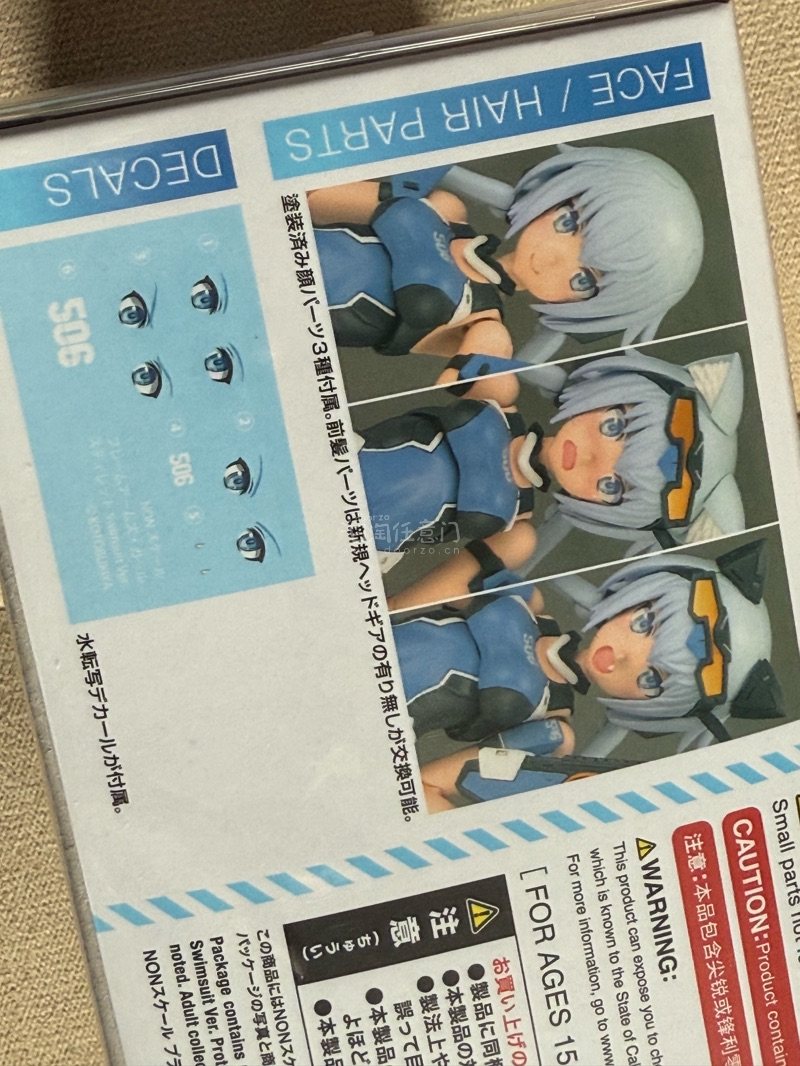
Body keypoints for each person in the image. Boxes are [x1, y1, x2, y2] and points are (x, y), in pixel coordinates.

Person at [412, 540, 784, 812]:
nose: (621, 656)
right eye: (644, 622)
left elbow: (428, 786)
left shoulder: (550, 729)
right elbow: (423, 597)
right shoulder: (529, 603)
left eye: (652, 680)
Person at [358, 349, 745, 609]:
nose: (591, 457)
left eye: (611, 486)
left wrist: (392, 611)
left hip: (370, 549)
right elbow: (467, 351)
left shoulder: (518, 531)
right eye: (614, 426)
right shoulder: (500, 395)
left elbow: (447, 586)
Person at [309, 145, 704, 373]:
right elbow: (316, 199)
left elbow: (472, 388)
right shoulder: (448, 210)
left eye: (583, 279)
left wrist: (507, 371)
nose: (549, 258)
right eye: (568, 222)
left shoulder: (486, 326)